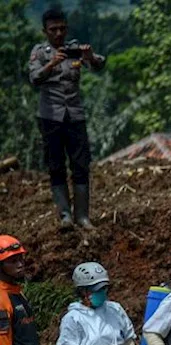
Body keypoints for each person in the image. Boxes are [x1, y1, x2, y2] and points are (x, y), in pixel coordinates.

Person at [27, 8, 105, 230]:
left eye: (62, 28)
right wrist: (52, 64)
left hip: (74, 116)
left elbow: (99, 64)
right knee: (56, 165)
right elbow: (34, 77)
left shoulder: (74, 50)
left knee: (81, 165)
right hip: (50, 116)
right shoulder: (40, 53)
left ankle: (82, 216)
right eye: (53, 30)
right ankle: (65, 217)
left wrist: (89, 57)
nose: (58, 33)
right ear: (45, 31)